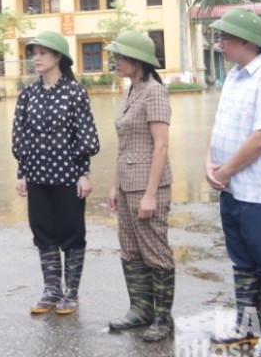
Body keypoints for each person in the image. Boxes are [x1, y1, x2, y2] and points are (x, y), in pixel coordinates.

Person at [204, 9, 261, 357]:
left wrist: (224, 172)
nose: (220, 43)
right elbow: (220, 125)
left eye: (225, 38)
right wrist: (208, 163)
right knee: (241, 261)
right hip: (233, 190)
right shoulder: (235, 77)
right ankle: (246, 329)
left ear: (245, 40)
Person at [11, 31, 100, 315]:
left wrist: (84, 173)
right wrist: (21, 172)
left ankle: (71, 292)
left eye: (43, 53)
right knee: (43, 233)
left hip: (68, 176)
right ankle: (51, 290)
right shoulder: (28, 94)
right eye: (34, 53)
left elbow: (85, 134)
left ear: (58, 57)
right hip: (37, 175)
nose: (36, 58)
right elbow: (20, 135)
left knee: (72, 233)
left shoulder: (75, 91)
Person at [104, 30, 175, 343]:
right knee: (131, 250)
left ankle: (163, 318)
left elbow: (160, 146)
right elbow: (124, 145)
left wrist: (150, 194)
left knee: (155, 252)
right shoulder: (129, 91)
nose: (116, 61)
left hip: (150, 186)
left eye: (121, 56)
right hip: (128, 184)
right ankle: (140, 310)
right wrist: (115, 187)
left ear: (138, 60)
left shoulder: (154, 92)